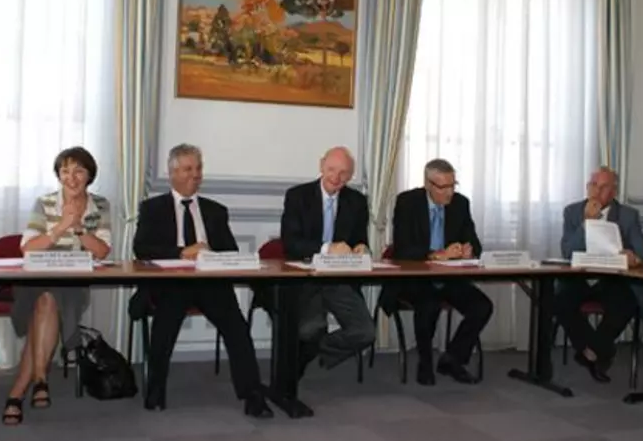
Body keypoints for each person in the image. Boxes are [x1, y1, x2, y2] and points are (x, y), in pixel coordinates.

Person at [132, 143, 272, 418]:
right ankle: (156, 388)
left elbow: (230, 251)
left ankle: (252, 394)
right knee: (165, 324)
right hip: (172, 282)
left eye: (198, 169)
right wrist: (182, 252)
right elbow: (143, 248)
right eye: (187, 169)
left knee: (237, 327)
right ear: (172, 172)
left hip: (209, 282)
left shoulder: (215, 210)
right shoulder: (153, 208)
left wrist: (210, 253)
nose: (195, 175)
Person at [2, 146, 112, 425]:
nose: (71, 178)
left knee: (46, 304)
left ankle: (22, 391)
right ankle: (38, 380)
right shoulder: (44, 202)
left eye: (78, 171)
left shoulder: (100, 205)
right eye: (65, 171)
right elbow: (28, 249)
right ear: (58, 175)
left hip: (73, 281)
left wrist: (79, 229)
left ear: (90, 176)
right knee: (45, 300)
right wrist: (61, 226)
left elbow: (101, 252)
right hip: (37, 277)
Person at [379, 158, 493, 385]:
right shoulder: (407, 202)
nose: (449, 192)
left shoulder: (460, 204)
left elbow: (475, 244)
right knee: (428, 305)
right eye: (443, 187)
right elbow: (401, 248)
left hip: (449, 278)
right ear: (428, 184)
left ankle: (452, 359)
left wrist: (469, 250)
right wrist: (435, 254)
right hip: (415, 278)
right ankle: (425, 361)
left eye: (453, 185)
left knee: (482, 306)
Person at [279, 146, 375, 379]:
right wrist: (326, 249)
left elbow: (359, 240)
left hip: (339, 279)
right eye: (331, 169)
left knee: (365, 332)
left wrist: (362, 248)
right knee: (310, 329)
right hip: (306, 278)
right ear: (321, 166)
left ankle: (314, 351)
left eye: (343, 173)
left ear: (350, 175)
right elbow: (290, 243)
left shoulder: (357, 201)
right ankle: (292, 372)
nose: (336, 177)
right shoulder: (298, 196)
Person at [555, 166, 643, 383]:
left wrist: (634, 258)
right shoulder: (572, 212)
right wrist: (586, 223)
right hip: (580, 277)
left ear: (614, 191)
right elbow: (567, 252)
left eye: (603, 187)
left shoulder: (628, 215)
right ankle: (601, 351)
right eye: (593, 186)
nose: (597, 192)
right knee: (560, 301)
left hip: (611, 280)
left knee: (626, 302)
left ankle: (591, 352)